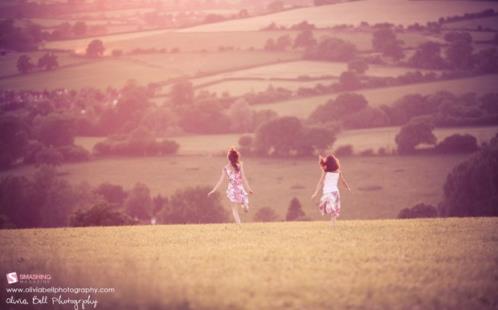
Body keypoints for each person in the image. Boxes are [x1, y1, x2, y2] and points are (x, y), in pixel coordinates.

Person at [208, 148, 253, 224]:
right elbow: (244, 177)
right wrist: (249, 189)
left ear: (228, 158)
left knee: (236, 209)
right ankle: (243, 210)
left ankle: (240, 221)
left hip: (233, 189)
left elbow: (220, 181)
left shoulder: (228, 168)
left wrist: (213, 190)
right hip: (238, 188)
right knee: (240, 208)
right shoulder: (237, 166)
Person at [311, 154, 351, 226]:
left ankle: (333, 224)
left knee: (329, 207)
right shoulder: (338, 171)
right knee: (333, 208)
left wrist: (315, 193)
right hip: (335, 192)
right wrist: (347, 187)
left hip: (328, 192)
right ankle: (333, 224)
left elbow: (320, 183)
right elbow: (343, 181)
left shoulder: (325, 171)